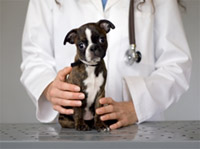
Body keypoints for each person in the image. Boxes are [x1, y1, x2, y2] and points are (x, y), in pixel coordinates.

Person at [20, 0, 192, 130]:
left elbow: (176, 64)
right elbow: (34, 59)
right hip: (73, 128)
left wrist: (137, 107)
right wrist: (50, 89)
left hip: (140, 129)